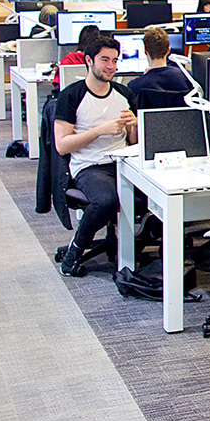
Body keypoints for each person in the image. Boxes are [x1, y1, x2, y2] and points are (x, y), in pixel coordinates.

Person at [53, 36, 138, 277]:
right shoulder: (72, 95)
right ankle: (75, 251)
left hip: (124, 163)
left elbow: (134, 143)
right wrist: (100, 130)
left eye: (114, 60)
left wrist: (133, 126)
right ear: (89, 61)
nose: (111, 66)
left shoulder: (124, 93)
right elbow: (62, 145)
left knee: (154, 196)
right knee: (106, 201)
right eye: (104, 60)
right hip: (89, 166)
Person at [126, 27, 194, 106]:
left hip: (151, 119)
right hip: (184, 118)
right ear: (168, 51)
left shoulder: (134, 86)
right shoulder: (189, 78)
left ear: (145, 51)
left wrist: (145, 77)